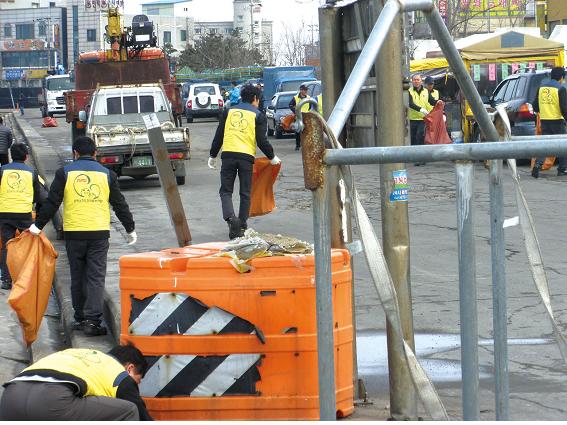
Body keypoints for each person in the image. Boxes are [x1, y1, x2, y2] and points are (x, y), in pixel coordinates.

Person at [29, 136, 137, 336]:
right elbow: (119, 204)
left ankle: (79, 317)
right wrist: (130, 228)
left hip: (74, 233)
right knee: (95, 276)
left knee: (77, 275)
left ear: (75, 153)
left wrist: (37, 226)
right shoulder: (108, 174)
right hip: (98, 234)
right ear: (95, 153)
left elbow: (52, 202)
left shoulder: (65, 173)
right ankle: (92, 321)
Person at [0, 344, 152, 421]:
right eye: (137, 380)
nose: (135, 386)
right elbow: (142, 416)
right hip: (51, 400)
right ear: (129, 368)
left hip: (10, 397)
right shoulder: (119, 373)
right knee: (130, 410)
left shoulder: (78, 354)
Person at [208, 84, 281, 240]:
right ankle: (241, 224)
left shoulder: (228, 111)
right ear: (255, 99)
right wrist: (272, 157)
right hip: (246, 158)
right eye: (258, 100)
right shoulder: (258, 115)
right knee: (245, 192)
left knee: (225, 191)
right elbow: (262, 140)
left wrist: (213, 155)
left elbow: (219, 134)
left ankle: (230, 218)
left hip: (228, 155)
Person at [0, 143, 46, 290]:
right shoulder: (32, 172)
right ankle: (26, 278)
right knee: (28, 245)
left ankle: (6, 280)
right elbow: (40, 197)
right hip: (24, 213)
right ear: (26, 156)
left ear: (11, 155)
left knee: (6, 245)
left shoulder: (2, 170)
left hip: (4, 212)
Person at [532, 67, 567, 178]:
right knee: (563, 145)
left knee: (545, 145)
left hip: (545, 121)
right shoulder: (561, 89)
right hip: (557, 121)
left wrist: (542, 111)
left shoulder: (541, 88)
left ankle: (537, 165)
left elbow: (535, 105)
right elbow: (564, 108)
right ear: (561, 78)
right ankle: (562, 169)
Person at [408, 74, 437, 165]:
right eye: (415, 80)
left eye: (418, 80)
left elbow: (432, 101)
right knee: (413, 139)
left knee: (419, 136)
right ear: (412, 81)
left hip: (422, 119)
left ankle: (421, 158)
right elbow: (410, 103)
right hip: (412, 118)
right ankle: (415, 157)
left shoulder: (426, 91)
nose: (416, 81)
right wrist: (421, 109)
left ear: (421, 81)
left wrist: (439, 102)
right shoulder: (409, 91)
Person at [289, 84, 312, 151]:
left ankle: (306, 145)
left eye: (306, 90)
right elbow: (290, 105)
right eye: (304, 90)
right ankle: (298, 145)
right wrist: (296, 112)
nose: (306, 91)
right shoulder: (295, 98)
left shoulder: (308, 97)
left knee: (307, 131)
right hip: (299, 116)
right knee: (298, 131)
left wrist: (308, 112)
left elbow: (310, 106)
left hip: (306, 116)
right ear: (301, 90)